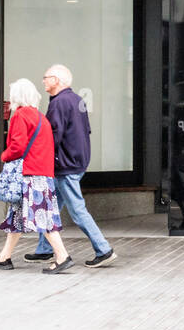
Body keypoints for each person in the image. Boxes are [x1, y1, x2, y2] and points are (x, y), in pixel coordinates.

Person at [25, 64, 116, 267]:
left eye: (46, 77)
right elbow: (85, 131)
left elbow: (52, 136)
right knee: (50, 208)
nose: (43, 81)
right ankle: (44, 249)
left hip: (65, 166)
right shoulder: (76, 100)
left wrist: (40, 157)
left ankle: (103, 249)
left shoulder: (59, 102)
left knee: (77, 210)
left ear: (56, 80)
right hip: (76, 162)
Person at [0, 78, 75, 273]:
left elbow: (17, 147)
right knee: (16, 218)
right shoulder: (41, 117)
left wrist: (4, 155)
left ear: (16, 96)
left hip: (30, 175)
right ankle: (4, 257)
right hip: (42, 174)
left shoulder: (20, 115)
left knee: (43, 217)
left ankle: (62, 256)